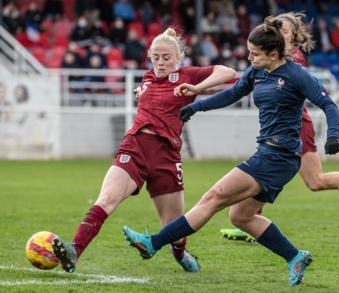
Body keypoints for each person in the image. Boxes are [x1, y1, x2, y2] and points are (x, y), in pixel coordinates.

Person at [123, 16, 339, 286]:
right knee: (240, 216)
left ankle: (153, 243)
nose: (249, 57)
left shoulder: (296, 74)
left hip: (278, 157)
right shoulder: (257, 71)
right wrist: (196, 104)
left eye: (255, 54)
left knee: (212, 198)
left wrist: (333, 136)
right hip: (269, 154)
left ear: (273, 55)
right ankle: (295, 256)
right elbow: (232, 93)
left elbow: (329, 105)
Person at [51, 27, 236, 273]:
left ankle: (180, 253)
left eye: (166, 58)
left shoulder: (187, 75)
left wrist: (197, 87)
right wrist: (142, 91)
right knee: (106, 199)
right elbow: (152, 95)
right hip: (135, 146)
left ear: (179, 58)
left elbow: (229, 72)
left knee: (175, 229)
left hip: (166, 156)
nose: (160, 63)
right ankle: (75, 249)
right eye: (155, 57)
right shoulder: (147, 78)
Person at [220, 11, 339, 243]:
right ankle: (248, 220)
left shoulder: (292, 60)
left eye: (284, 30)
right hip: (282, 127)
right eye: (276, 29)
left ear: (293, 36)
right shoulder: (268, 55)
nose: (279, 33)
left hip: (298, 126)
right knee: (289, 175)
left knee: (314, 181)